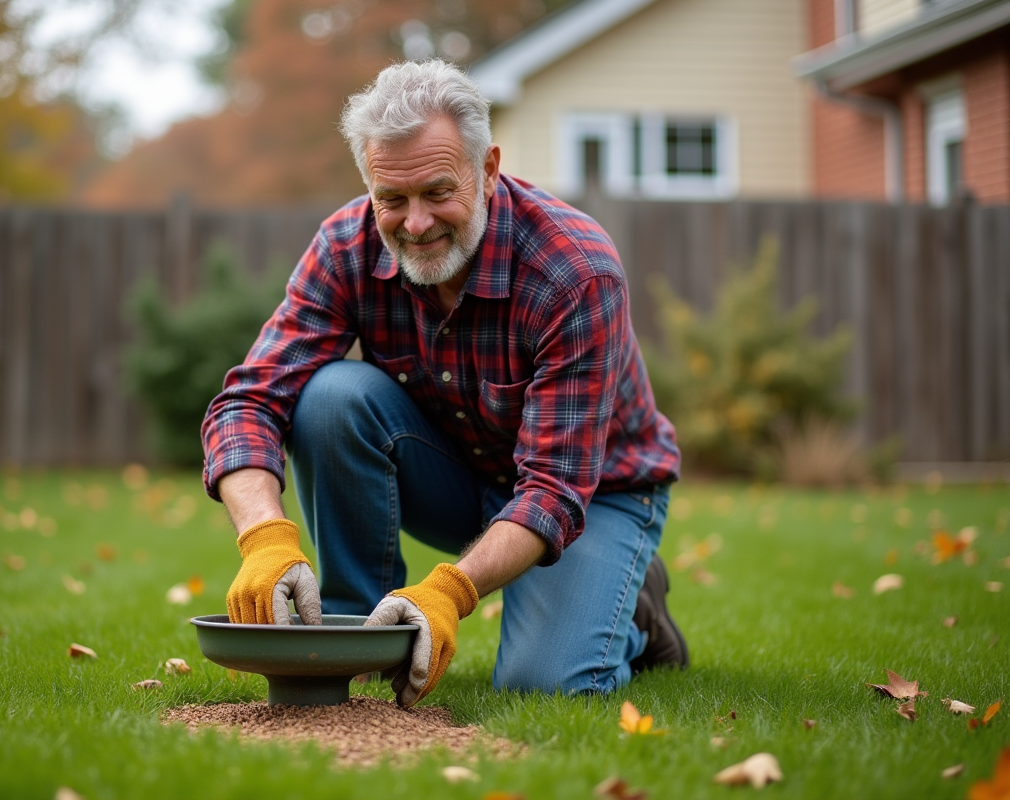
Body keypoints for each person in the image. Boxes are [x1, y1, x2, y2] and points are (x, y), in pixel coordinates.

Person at [202, 59, 685, 708]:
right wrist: (264, 539)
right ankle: (360, 632)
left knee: (544, 685)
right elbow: (249, 401)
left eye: (437, 192)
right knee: (330, 399)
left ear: (487, 170)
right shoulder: (346, 244)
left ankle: (633, 606)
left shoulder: (574, 271)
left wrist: (450, 592)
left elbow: (554, 486)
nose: (416, 223)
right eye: (391, 199)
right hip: (460, 473)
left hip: (596, 493)